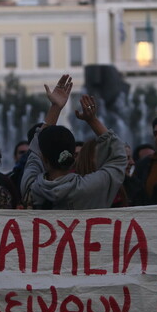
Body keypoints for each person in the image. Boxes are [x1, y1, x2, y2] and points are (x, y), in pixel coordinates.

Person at [21, 74, 126, 210]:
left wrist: (55, 108)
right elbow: (119, 158)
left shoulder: (32, 189)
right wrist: (92, 120)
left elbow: (35, 153)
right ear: (72, 155)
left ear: (44, 158)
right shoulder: (92, 187)